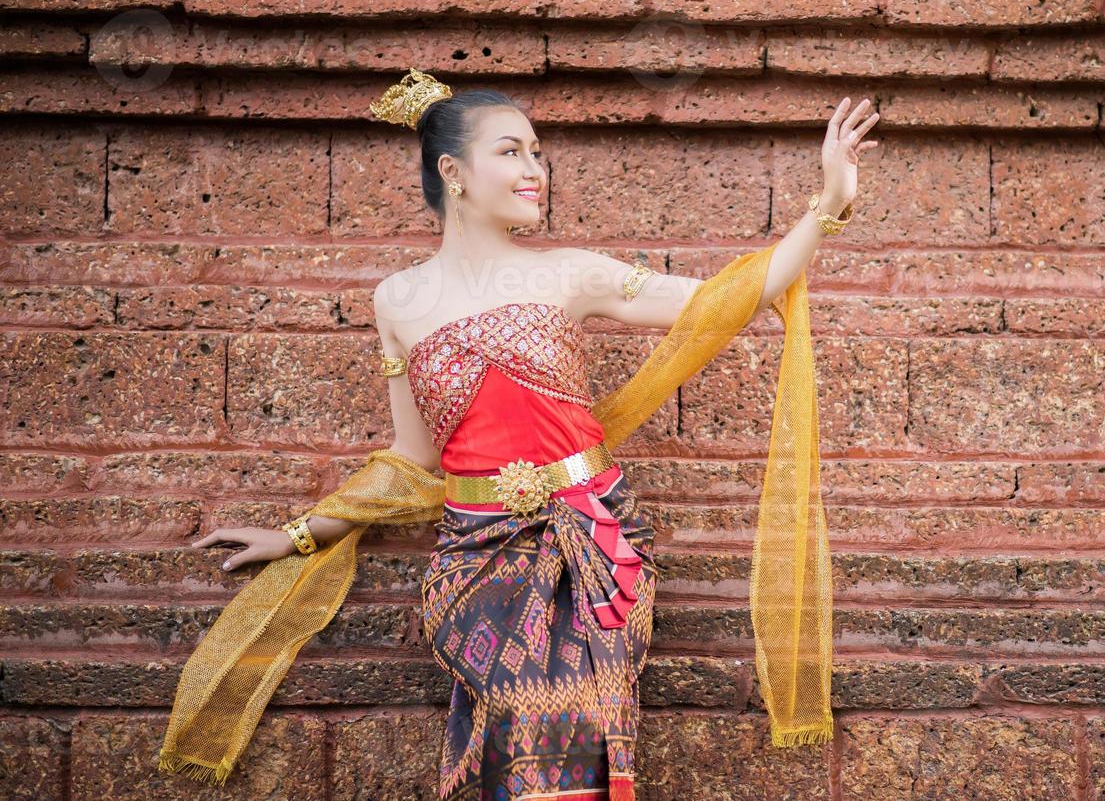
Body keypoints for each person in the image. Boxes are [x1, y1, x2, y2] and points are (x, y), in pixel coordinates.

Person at [158, 69, 878, 799]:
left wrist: (828, 204)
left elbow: (728, 302)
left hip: (592, 542)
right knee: (518, 734)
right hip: (474, 558)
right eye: (512, 152)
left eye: (537, 154)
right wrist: (300, 534)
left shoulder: (570, 274)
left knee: (577, 742)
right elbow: (413, 460)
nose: (535, 171)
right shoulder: (398, 300)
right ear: (453, 171)